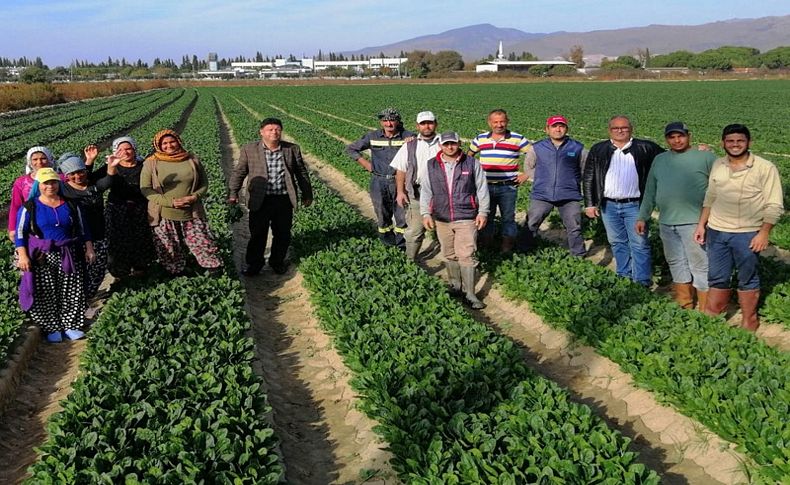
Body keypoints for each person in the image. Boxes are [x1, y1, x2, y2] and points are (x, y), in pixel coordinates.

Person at [693, 124, 784, 331]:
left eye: (740, 141)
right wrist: (702, 224)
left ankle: (749, 320)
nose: (735, 145)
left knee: (747, 277)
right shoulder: (718, 164)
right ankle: (712, 317)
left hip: (747, 233)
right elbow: (711, 196)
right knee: (717, 276)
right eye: (730, 141)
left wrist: (764, 232)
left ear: (749, 143)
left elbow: (774, 204)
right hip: (716, 231)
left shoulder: (764, 167)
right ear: (723, 143)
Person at [636, 122, 716, 310]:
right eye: (671, 137)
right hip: (667, 223)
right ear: (666, 139)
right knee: (676, 262)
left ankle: (706, 309)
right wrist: (642, 216)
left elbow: (720, 185)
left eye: (680, 136)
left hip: (695, 223)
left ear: (689, 136)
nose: (677, 140)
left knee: (700, 264)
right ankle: (685, 303)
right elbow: (650, 190)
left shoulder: (705, 157)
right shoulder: (660, 160)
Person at [15, 167, 95, 343]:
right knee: (47, 291)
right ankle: (52, 327)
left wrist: (89, 248)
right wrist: (23, 256)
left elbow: (84, 229)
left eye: (53, 182)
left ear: (59, 183)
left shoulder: (72, 204)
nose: (50, 186)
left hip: (69, 252)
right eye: (45, 183)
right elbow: (20, 233)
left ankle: (70, 325)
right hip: (42, 255)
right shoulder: (30, 207)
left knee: (72, 289)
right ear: (39, 185)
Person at [583, 115, 664, 287]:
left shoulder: (646, 147)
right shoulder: (599, 149)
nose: (620, 131)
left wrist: (694, 151)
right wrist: (590, 203)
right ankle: (624, 275)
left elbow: (669, 158)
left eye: (624, 128)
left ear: (631, 129)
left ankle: (641, 281)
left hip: (635, 205)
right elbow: (589, 176)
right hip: (608, 205)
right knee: (617, 242)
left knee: (639, 243)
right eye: (615, 128)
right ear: (609, 130)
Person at [228, 117, 313, 276]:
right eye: (270, 129)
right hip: (260, 199)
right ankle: (254, 264)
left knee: (282, 233)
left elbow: (301, 172)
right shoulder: (249, 149)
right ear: (261, 132)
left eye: (277, 129)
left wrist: (307, 194)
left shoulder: (291, 149)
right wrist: (233, 192)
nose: (274, 132)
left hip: (283, 199)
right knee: (258, 233)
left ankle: (277, 262)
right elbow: (239, 172)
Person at [420, 132, 490, 309]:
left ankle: (470, 294)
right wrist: (425, 213)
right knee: (449, 253)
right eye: (446, 144)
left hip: (466, 216)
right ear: (440, 146)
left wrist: (483, 212)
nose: (449, 147)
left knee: (466, 255)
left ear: (459, 143)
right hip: (442, 217)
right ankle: (455, 286)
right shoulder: (431, 165)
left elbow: (482, 189)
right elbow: (426, 191)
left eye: (453, 144)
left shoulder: (472, 163)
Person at [140, 129, 222, 275]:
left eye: (172, 141)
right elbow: (146, 189)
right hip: (164, 213)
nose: (169, 145)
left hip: (191, 210)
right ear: (158, 145)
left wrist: (194, 197)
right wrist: (170, 202)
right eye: (164, 143)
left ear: (178, 141)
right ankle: (177, 272)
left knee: (202, 240)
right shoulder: (151, 163)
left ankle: (213, 268)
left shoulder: (191, 159)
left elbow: (204, 183)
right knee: (169, 245)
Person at [519, 115, 587, 257]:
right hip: (542, 194)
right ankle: (523, 252)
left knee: (574, 226)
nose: (558, 129)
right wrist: (542, 180)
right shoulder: (537, 147)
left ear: (566, 129)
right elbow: (528, 167)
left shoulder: (578, 148)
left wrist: (572, 181)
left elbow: (584, 170)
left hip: (569, 195)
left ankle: (578, 255)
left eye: (561, 126)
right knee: (532, 222)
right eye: (554, 126)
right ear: (547, 129)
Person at [346, 107, 413, 250]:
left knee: (402, 214)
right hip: (379, 181)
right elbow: (351, 149)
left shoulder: (408, 136)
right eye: (385, 121)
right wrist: (366, 164)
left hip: (400, 181)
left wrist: (413, 141)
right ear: (381, 122)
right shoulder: (373, 136)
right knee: (382, 213)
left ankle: (401, 245)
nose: (389, 124)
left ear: (398, 121)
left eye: (392, 120)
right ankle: (387, 242)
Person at [467, 109, 530, 254]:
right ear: (489, 123)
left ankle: (506, 248)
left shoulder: (518, 139)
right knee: (486, 216)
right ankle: (487, 246)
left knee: (508, 218)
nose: (499, 125)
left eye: (502, 121)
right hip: (484, 187)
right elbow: (469, 156)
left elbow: (536, 157)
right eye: (495, 122)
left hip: (508, 187)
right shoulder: (480, 139)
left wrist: (526, 175)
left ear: (507, 122)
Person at [58, 150, 118, 298]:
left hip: (98, 232)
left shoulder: (93, 186)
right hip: (76, 237)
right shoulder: (62, 189)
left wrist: (111, 166)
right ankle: (79, 298)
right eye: (72, 174)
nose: (77, 176)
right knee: (79, 269)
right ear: (66, 175)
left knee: (98, 266)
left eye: (81, 172)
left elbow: (108, 180)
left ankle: (89, 295)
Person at [94, 136, 156, 279]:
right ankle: (120, 274)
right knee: (117, 241)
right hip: (117, 210)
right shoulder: (111, 166)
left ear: (134, 149)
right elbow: (92, 180)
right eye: (120, 149)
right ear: (115, 151)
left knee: (141, 238)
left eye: (128, 148)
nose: (125, 152)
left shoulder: (144, 165)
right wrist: (91, 161)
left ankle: (141, 270)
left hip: (141, 209)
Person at [391, 110, 442, 260]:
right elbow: (401, 170)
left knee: (445, 229)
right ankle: (410, 261)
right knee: (415, 230)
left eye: (430, 123)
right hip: (417, 193)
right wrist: (400, 191)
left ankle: (450, 262)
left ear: (435, 124)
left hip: (442, 193)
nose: (427, 126)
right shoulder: (410, 145)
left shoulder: (444, 143)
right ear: (417, 126)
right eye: (423, 123)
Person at [8, 146, 57, 242]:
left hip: (55, 222)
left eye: (43, 158)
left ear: (49, 159)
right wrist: (13, 228)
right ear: (30, 162)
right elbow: (16, 206)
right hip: (30, 223)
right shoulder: (21, 182)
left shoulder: (60, 178)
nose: (39, 162)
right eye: (35, 159)